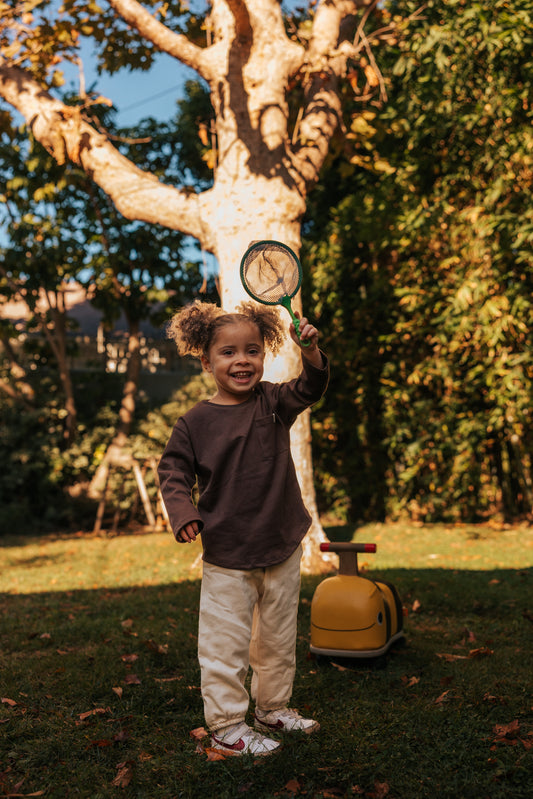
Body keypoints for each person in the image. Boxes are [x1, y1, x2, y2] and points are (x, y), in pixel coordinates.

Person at [158, 299, 329, 756]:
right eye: (229, 352)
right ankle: (227, 726)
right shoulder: (193, 423)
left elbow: (311, 387)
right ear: (206, 360)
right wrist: (184, 512)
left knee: (276, 637)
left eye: (252, 350)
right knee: (225, 644)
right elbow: (173, 473)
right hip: (229, 553)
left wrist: (310, 351)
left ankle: (272, 708)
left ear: (265, 355)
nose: (241, 361)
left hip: (281, 543)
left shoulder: (273, 401)